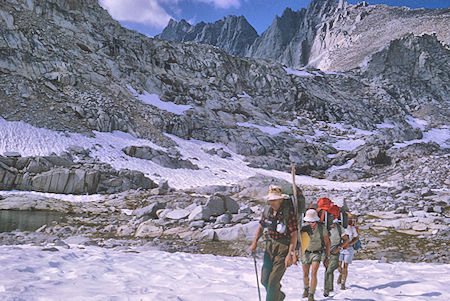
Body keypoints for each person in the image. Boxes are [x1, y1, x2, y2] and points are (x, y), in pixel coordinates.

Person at [249, 185, 298, 301]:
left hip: (283, 247)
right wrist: (254, 242)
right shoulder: (267, 210)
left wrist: (290, 254)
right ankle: (279, 296)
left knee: (272, 283)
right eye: (270, 200)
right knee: (264, 280)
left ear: (281, 200)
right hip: (269, 246)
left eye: (275, 200)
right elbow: (261, 227)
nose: (272, 202)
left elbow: (294, 235)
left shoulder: (287, 212)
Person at [301, 209, 331, 301]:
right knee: (305, 274)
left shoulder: (322, 228)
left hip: (316, 253)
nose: (310, 223)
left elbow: (327, 243)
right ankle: (306, 288)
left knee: (314, 273)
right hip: (305, 253)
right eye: (308, 221)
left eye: (312, 222)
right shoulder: (303, 228)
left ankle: (311, 294)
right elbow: (299, 242)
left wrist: (327, 256)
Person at [323, 218, 347, 297]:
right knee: (328, 269)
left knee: (329, 269)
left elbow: (346, 240)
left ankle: (326, 289)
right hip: (325, 251)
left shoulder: (340, 228)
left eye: (333, 222)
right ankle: (329, 287)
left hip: (335, 251)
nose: (332, 224)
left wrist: (339, 248)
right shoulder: (324, 227)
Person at [337, 214, 359, 290]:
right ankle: (341, 274)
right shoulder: (339, 227)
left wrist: (349, 243)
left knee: (345, 266)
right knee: (338, 265)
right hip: (340, 248)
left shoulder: (352, 228)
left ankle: (343, 283)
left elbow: (356, 238)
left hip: (348, 249)